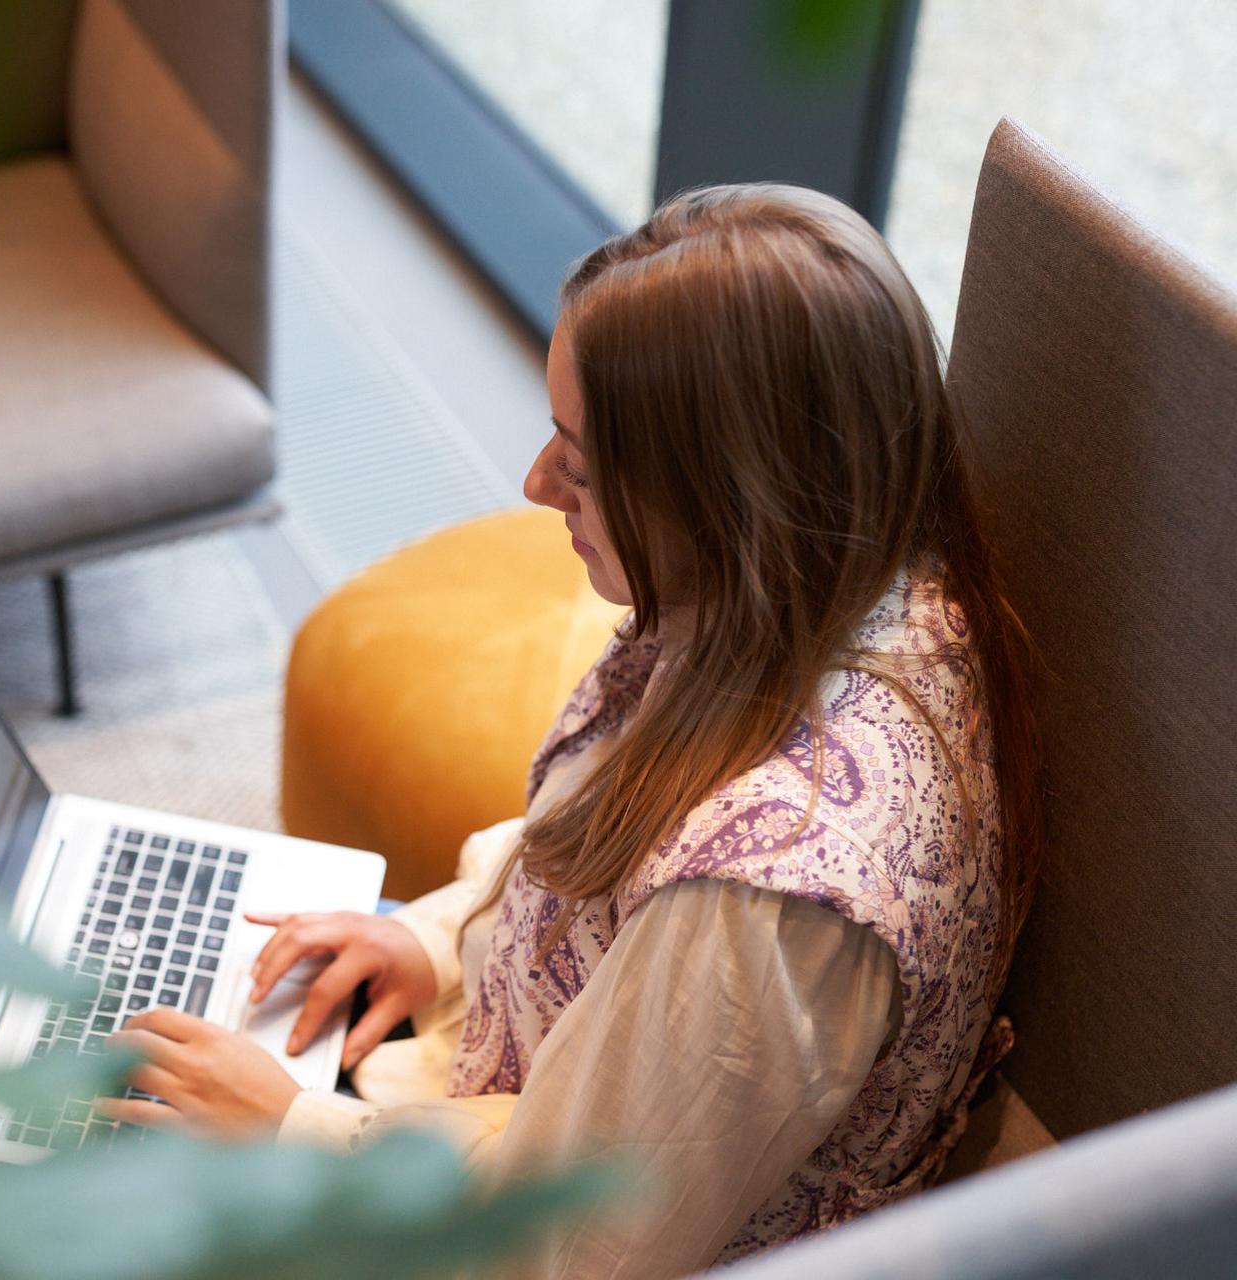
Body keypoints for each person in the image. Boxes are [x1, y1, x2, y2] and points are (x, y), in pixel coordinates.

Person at [95, 183, 1043, 1277]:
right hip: (486, 1103)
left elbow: (574, 1243)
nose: (538, 484)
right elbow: (600, 849)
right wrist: (444, 938)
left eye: (581, 465)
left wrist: (289, 1137)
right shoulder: (845, 585)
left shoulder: (767, 909)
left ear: (737, 505)